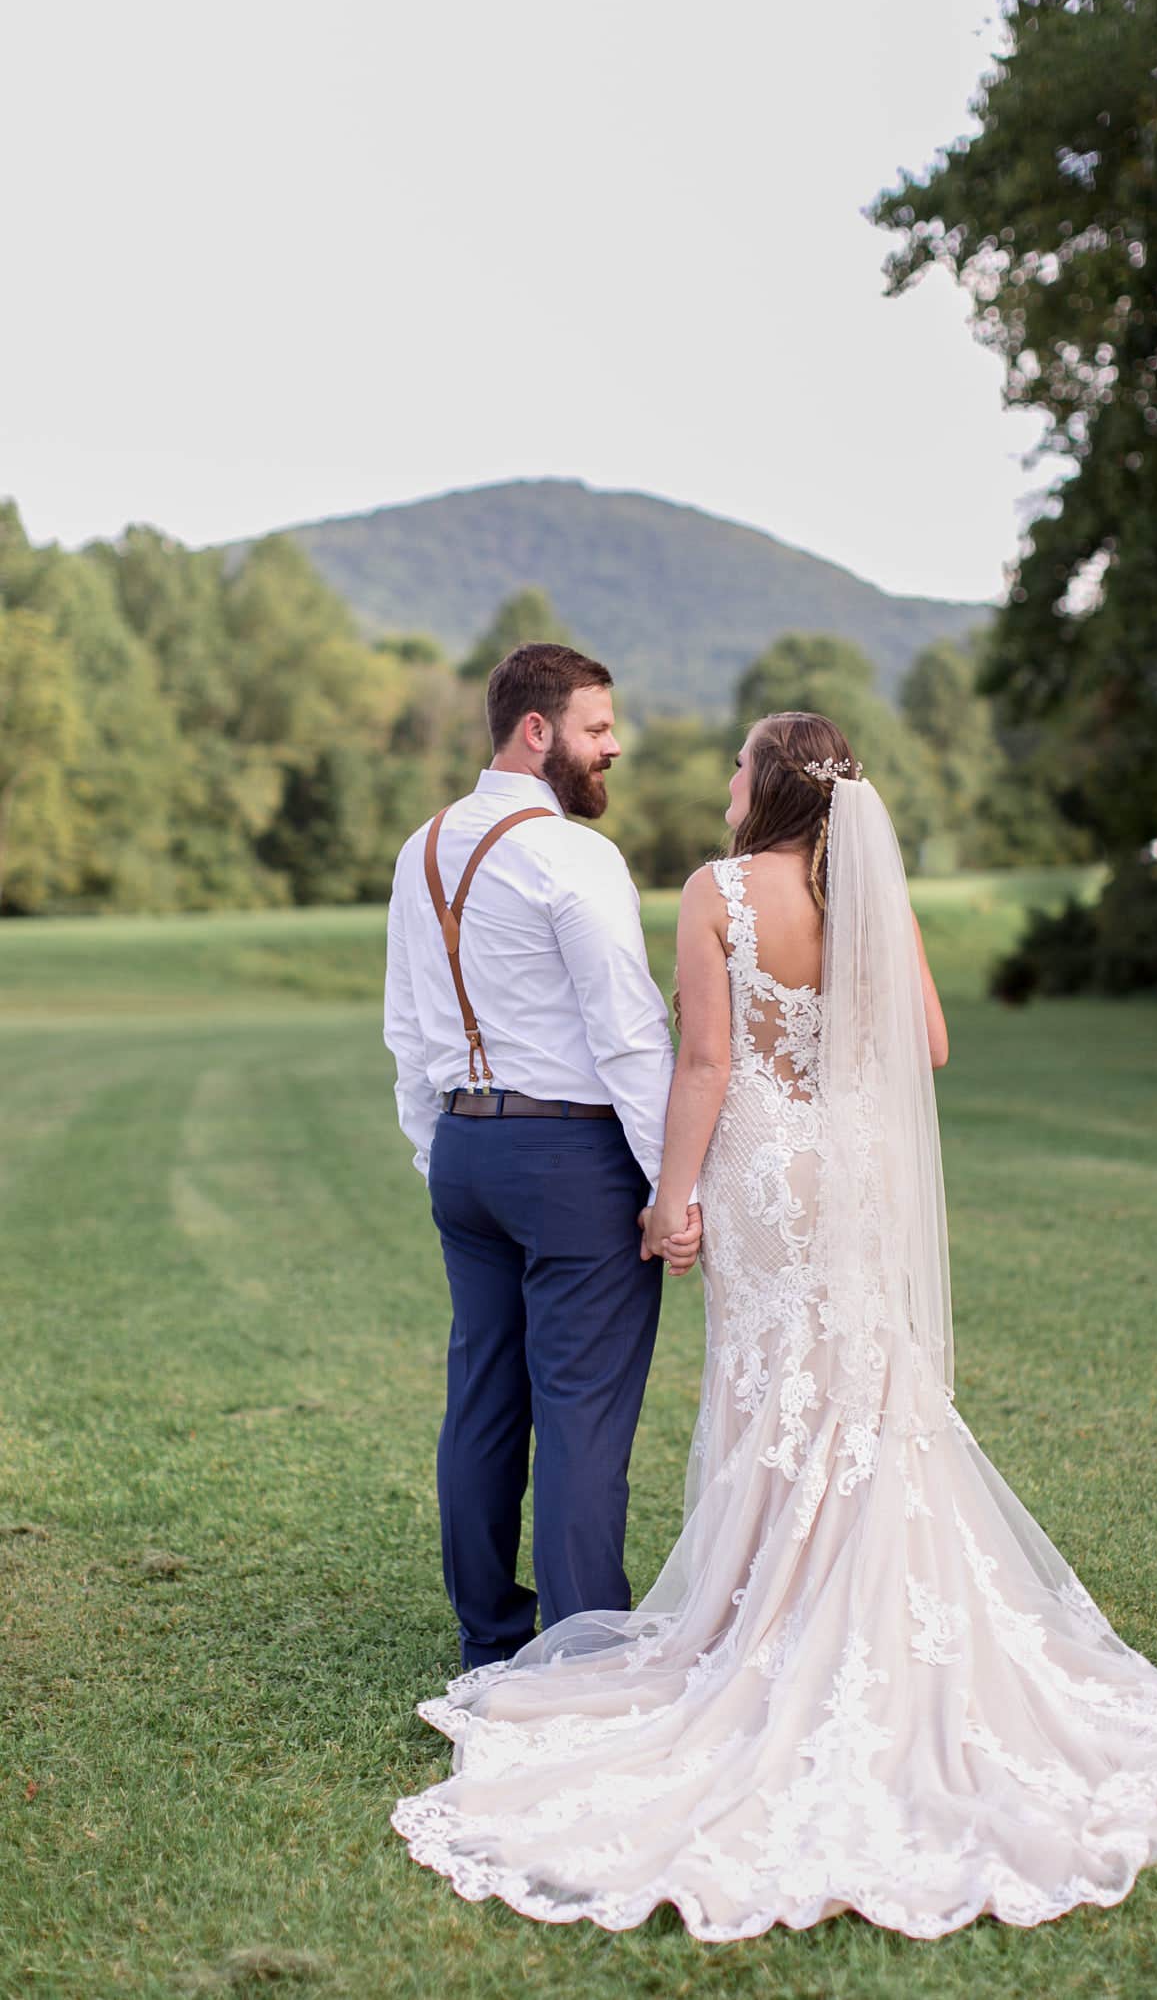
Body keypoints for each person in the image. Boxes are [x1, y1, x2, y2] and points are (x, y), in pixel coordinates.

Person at [391, 710, 1157, 1940]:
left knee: (775, 1386)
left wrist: (669, 1198)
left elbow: (702, 1066)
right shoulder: (866, 889)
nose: (724, 778)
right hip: (856, 1172)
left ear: (770, 783)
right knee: (861, 1382)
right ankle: (859, 1603)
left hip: (766, 1175)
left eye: (738, 762)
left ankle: (775, 1612)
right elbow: (929, 1042)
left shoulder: (717, 892)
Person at [383, 642, 701, 1674]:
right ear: (537, 729)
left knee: (482, 1399)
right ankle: (580, 1659)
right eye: (597, 728)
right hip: (572, 1158)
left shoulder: (421, 848)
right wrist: (673, 1186)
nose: (613, 747)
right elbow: (629, 1037)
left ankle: (488, 1640)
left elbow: (405, 1029)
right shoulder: (573, 856)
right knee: (581, 1413)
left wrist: (442, 1151)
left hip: (466, 1150)